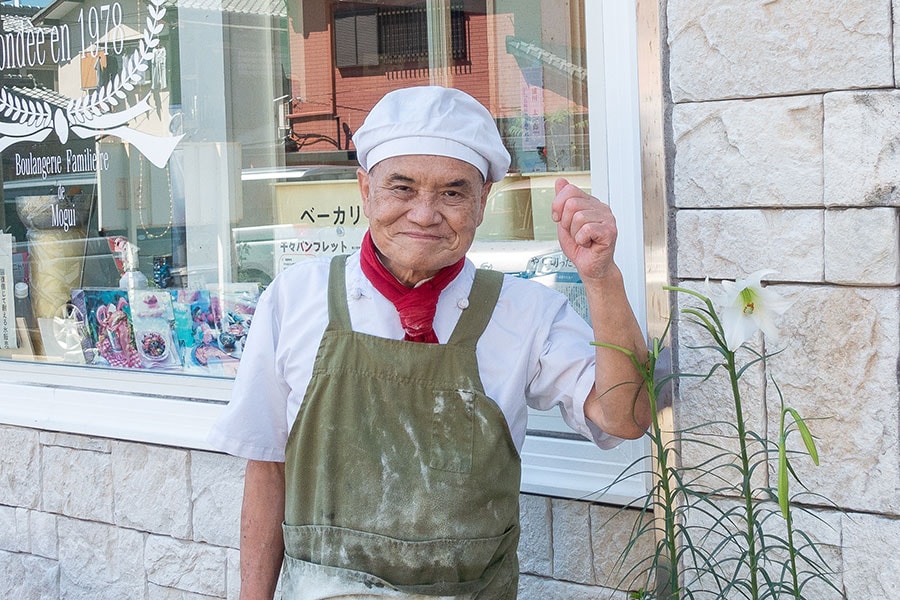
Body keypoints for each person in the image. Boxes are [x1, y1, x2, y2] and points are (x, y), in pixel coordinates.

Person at [208, 86, 651, 600]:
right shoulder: (294, 298)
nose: (424, 214)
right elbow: (267, 467)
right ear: (364, 189)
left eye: (452, 193)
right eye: (402, 188)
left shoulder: (526, 313)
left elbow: (627, 417)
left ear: (482, 202)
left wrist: (601, 276)